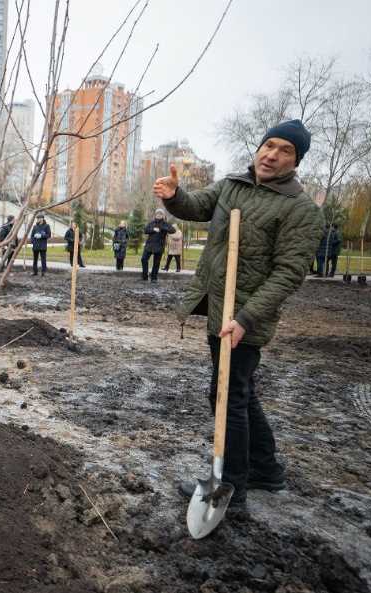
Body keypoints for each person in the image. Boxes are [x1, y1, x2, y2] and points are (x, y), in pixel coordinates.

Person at [154, 119, 323, 511]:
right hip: (219, 307)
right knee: (238, 393)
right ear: (260, 147)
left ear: (296, 162)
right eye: (270, 145)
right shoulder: (233, 184)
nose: (272, 155)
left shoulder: (300, 210)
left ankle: (232, 487)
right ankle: (265, 469)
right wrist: (175, 195)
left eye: (286, 151)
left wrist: (246, 318)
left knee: (227, 396)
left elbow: (288, 274)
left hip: (247, 318)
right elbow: (197, 206)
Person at [141, 209, 175, 282]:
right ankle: (145, 275)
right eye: (157, 214)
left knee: (156, 263)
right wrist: (153, 229)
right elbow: (145, 230)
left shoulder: (165, 224)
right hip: (149, 245)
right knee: (143, 259)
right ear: (155, 215)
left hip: (159, 245)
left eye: (160, 214)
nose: (158, 215)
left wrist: (163, 228)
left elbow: (173, 230)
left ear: (163, 215)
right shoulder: (152, 223)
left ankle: (154, 277)